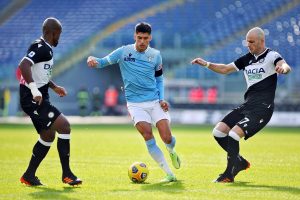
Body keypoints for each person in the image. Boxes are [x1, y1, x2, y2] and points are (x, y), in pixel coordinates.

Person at [191, 27, 291, 183]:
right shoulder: (246, 59)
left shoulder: (272, 56)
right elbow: (225, 69)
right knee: (218, 132)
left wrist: (282, 69)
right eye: (247, 42)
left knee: (233, 134)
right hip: (247, 106)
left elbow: (285, 66)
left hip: (262, 109)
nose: (248, 45)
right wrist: (206, 64)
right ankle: (239, 162)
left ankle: (228, 174)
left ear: (261, 41)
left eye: (251, 42)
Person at [87, 22, 181, 182]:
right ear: (134, 36)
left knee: (167, 137)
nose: (142, 41)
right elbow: (103, 62)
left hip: (154, 102)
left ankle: (171, 150)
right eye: (139, 38)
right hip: (135, 104)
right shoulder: (123, 52)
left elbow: (159, 79)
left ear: (150, 38)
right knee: (147, 135)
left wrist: (162, 99)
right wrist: (92, 59)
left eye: (145, 38)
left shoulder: (156, 55)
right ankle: (169, 174)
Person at [18, 17, 82, 186]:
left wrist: (54, 87)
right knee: (64, 126)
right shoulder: (40, 47)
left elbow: (38, 72)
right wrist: (33, 90)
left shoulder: (46, 49)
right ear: (51, 32)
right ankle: (67, 174)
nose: (58, 38)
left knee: (48, 135)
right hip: (33, 98)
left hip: (40, 96)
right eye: (58, 34)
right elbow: (23, 65)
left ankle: (29, 175)